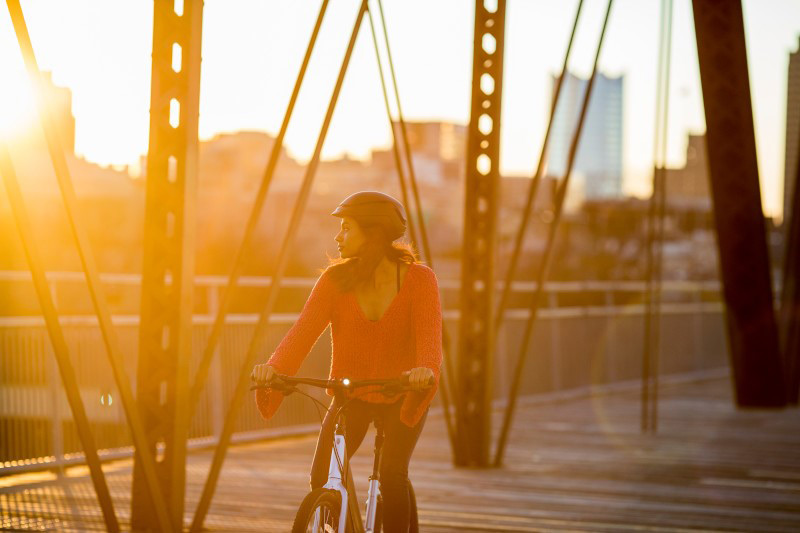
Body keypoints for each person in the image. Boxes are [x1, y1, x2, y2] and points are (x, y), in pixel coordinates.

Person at [251, 190, 442, 532]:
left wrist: (424, 371)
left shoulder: (420, 280)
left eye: (346, 228)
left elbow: (430, 342)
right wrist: (275, 369)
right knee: (322, 474)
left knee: (392, 476)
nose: (338, 237)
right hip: (351, 395)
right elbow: (301, 335)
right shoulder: (334, 281)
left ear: (373, 233)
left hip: (400, 391)